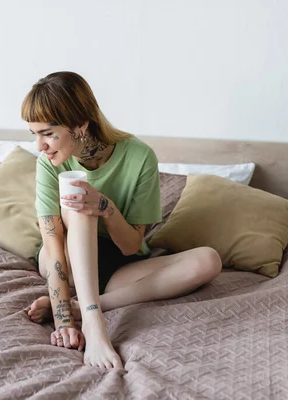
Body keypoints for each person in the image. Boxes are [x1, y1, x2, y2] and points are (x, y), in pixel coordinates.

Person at [21, 71, 222, 371]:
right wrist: (63, 320)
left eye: (48, 134)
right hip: (66, 261)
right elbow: (52, 246)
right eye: (34, 134)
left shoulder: (140, 157)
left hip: (118, 267)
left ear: (80, 126)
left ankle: (88, 306)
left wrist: (106, 207)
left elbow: (131, 247)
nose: (40, 146)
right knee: (78, 201)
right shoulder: (48, 165)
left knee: (209, 261)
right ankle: (93, 322)